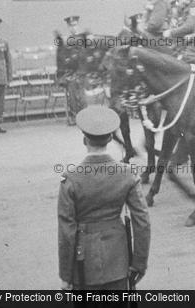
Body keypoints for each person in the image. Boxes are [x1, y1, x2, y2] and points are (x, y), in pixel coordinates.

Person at [58, 106, 150, 290]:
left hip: (83, 266)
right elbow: (142, 221)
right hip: (118, 263)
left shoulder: (71, 179)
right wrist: (139, 264)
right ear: (109, 139)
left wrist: (66, 275)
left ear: (85, 139)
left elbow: (66, 232)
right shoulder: (127, 175)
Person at [60, 16, 87, 126]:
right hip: (71, 73)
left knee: (82, 96)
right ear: (68, 27)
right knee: (72, 96)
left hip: (82, 72)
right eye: (71, 26)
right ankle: (75, 117)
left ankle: (85, 117)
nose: (73, 28)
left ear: (78, 25)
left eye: (75, 25)